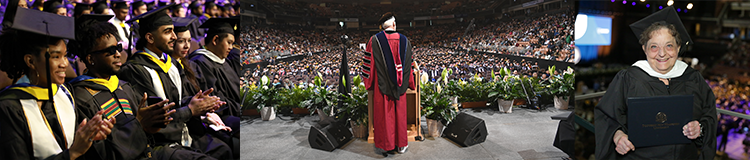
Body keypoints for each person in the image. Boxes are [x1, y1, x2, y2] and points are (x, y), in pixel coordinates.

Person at [594, 7, 717, 159]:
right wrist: (618, 136)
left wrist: (701, 128)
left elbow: (709, 115)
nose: (662, 53)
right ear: (644, 49)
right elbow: (607, 117)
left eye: (669, 45)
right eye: (654, 47)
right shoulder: (628, 78)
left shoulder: (694, 78)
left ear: (678, 48)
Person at [118, 5, 230, 160]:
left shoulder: (172, 63)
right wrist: (190, 110)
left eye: (172, 30)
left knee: (224, 149)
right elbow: (154, 115)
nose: (174, 36)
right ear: (150, 38)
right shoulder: (135, 70)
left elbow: (180, 100)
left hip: (183, 132)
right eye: (167, 32)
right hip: (160, 142)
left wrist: (201, 104)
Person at [0, 8, 114, 159]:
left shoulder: (65, 93)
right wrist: (72, 153)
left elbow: (78, 146)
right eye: (56, 57)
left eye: (65, 56)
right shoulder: (10, 107)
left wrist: (92, 137)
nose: (64, 64)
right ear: (30, 61)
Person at [68, 14, 183, 159]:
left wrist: (154, 122)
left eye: (118, 47)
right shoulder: (81, 97)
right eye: (110, 51)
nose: (118, 54)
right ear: (90, 59)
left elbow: (146, 132)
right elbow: (101, 152)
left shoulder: (124, 86)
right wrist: (140, 124)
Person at [362, 12, 415, 157]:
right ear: (394, 24)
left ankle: (386, 145)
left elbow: (369, 65)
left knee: (386, 116)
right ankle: (401, 145)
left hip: (381, 87)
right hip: (401, 88)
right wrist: (409, 83)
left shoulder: (374, 41)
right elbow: (409, 66)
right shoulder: (405, 41)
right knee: (400, 115)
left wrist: (369, 83)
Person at [188, 17, 242, 136]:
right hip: (220, 116)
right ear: (215, 40)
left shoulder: (223, 61)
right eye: (229, 42)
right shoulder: (200, 62)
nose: (231, 47)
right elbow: (216, 100)